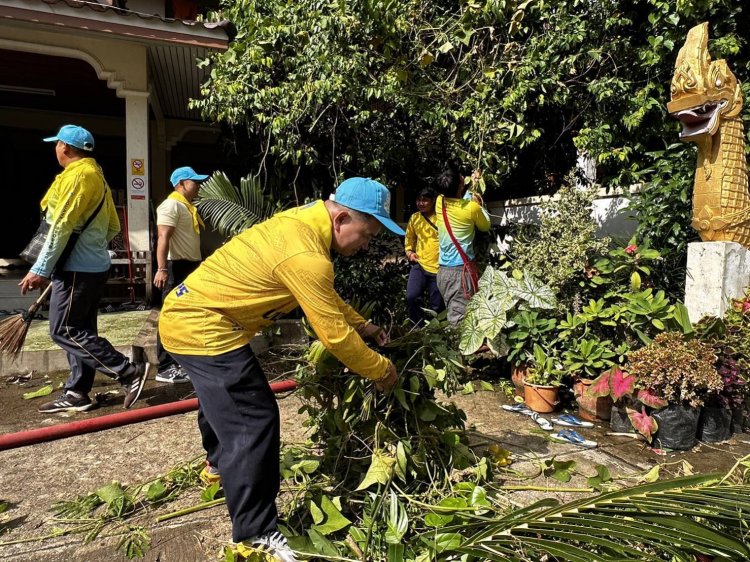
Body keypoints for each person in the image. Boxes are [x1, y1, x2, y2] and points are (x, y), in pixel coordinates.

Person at [159, 177, 403, 560]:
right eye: (366, 234)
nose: (367, 244)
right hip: (203, 326)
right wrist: (381, 370)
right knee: (253, 419)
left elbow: (323, 295)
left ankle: (218, 468)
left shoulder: (304, 223)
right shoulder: (306, 257)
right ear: (340, 219)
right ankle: (255, 534)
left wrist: (364, 325)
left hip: (187, 314)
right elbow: (335, 339)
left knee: (221, 400)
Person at [20, 124, 149, 413]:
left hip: (76, 269)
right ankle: (77, 392)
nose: (55, 149)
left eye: (56, 144)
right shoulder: (97, 177)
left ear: (64, 147)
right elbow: (113, 225)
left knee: (63, 329)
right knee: (80, 329)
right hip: (89, 267)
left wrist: (41, 268)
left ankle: (127, 371)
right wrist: (90, 248)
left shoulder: (79, 176)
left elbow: (61, 225)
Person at [153, 166, 209, 384]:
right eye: (194, 182)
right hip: (175, 266)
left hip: (189, 266)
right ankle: (165, 366)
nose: (198, 186)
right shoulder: (171, 205)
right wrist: (162, 269)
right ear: (181, 184)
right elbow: (162, 237)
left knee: (186, 314)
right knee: (171, 315)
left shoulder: (187, 207)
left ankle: (180, 362)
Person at [435, 160, 491, 325]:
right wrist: (479, 205)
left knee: (456, 310)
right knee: (459, 320)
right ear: (460, 185)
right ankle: (465, 350)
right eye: (461, 177)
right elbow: (485, 225)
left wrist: (472, 185)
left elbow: (459, 200)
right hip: (460, 273)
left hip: (443, 272)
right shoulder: (472, 208)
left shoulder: (440, 202)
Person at [404, 187, 444, 325]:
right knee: (411, 297)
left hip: (439, 267)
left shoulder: (442, 217)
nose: (421, 203)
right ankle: (417, 329)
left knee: (437, 306)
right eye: (419, 200)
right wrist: (409, 252)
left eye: (425, 200)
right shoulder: (415, 218)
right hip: (419, 264)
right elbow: (409, 238)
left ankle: (435, 333)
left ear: (433, 201)